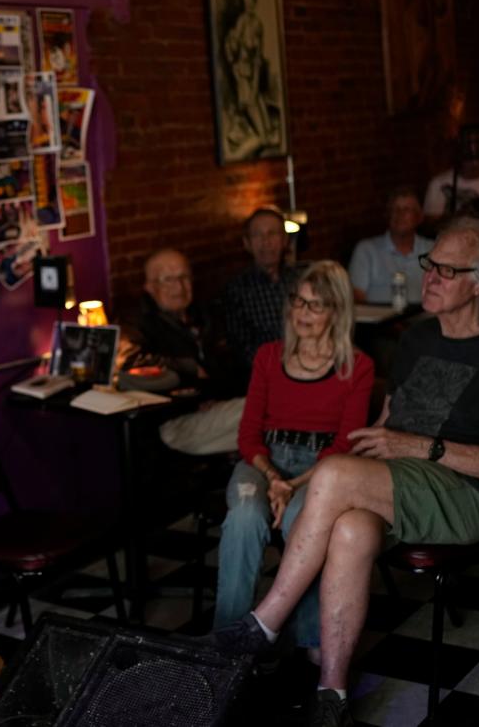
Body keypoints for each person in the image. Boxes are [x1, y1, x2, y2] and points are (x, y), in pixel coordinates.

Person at [207, 218, 479, 727]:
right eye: (430, 265)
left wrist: (415, 447)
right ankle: (333, 693)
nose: (428, 277)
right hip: (401, 482)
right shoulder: (416, 337)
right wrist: (376, 444)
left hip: (468, 496)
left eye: (446, 271)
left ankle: (265, 621)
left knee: (336, 475)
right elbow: (390, 423)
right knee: (348, 529)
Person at [214, 262, 374, 661]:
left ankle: (311, 642)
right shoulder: (269, 357)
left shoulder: (357, 367)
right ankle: (228, 643)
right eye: (298, 302)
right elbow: (247, 435)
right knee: (245, 517)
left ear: (337, 312)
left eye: (316, 306)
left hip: (321, 470)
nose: (302, 313)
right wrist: (273, 477)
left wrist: (295, 484)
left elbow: (344, 447)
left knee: (306, 523)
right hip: (263, 461)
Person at [122, 249, 245, 456]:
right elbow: (132, 363)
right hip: (174, 420)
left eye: (184, 277)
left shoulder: (203, 314)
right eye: (168, 280)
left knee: (272, 426)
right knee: (267, 410)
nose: (179, 287)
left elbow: (228, 361)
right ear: (150, 287)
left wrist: (215, 394)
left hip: (216, 409)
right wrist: (190, 369)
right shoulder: (136, 320)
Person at [224, 208, 299, 373]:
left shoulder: (300, 281)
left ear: (285, 239)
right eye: (258, 235)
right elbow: (241, 347)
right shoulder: (237, 290)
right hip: (265, 371)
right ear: (247, 243)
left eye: (273, 233)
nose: (266, 242)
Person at [347, 187, 435, 304]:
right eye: (395, 209)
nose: (400, 214)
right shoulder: (367, 250)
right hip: (382, 320)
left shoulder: (432, 249)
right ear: (388, 215)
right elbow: (355, 297)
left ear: (419, 217)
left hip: (424, 319)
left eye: (406, 209)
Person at [224, 0, 276, 152]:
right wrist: (234, 64)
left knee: (265, 128)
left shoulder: (257, 25)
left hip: (251, 76)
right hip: (241, 75)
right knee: (260, 130)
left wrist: (255, 83)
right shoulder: (241, 23)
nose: (248, 1)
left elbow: (257, 59)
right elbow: (232, 46)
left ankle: (250, 140)